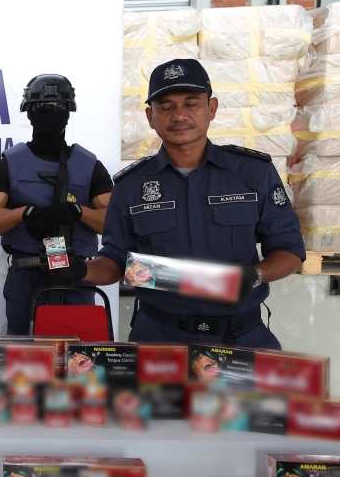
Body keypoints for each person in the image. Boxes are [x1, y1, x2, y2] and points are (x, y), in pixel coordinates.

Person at [66, 59, 304, 349]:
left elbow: (289, 250)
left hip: (241, 337)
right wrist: (82, 269)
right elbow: (116, 260)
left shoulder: (253, 174)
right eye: (165, 106)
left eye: (191, 103)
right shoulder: (131, 186)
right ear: (150, 117)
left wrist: (255, 275)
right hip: (159, 338)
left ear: (211, 108)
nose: (179, 115)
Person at [0, 74, 112, 334]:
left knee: (77, 360)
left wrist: (77, 211)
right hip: (28, 275)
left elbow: (114, 221)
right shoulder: (9, 164)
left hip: (75, 273)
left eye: (58, 106)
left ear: (69, 111)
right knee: (25, 361)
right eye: (41, 107)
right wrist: (24, 213)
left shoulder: (90, 165)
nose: (50, 112)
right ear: (29, 112)